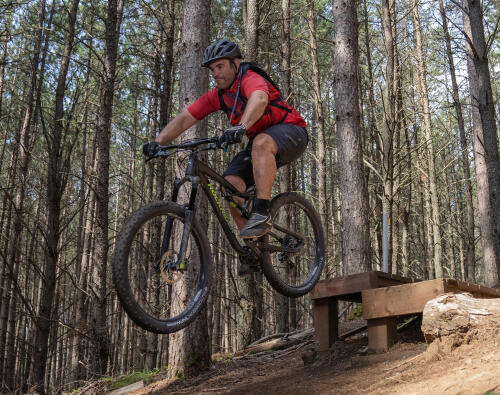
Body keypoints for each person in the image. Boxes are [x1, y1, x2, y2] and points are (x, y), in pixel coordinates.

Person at [143, 39, 308, 243]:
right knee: (230, 185)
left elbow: (259, 99)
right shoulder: (219, 95)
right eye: (212, 69)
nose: (215, 73)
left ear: (235, 64)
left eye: (220, 66)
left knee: (261, 142)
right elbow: (186, 117)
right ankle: (252, 247)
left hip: (293, 132)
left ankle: (262, 212)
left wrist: (241, 126)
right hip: (260, 144)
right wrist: (158, 142)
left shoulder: (249, 77)